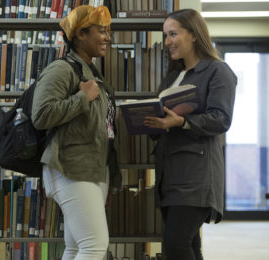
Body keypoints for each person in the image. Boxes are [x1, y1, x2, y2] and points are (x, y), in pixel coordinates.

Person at [143, 9, 237, 260]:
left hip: (196, 175)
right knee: (189, 246)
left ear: (194, 34)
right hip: (169, 174)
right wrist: (152, 124)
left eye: (173, 34)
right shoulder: (172, 77)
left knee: (176, 246)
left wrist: (182, 122)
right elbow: (166, 123)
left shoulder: (218, 71)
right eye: (166, 35)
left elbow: (221, 119)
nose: (168, 42)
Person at [31, 5, 120, 259]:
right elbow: (41, 114)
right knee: (94, 246)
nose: (108, 37)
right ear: (80, 34)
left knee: (77, 247)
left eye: (108, 31)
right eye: (101, 31)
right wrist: (82, 98)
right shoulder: (62, 69)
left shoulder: (90, 71)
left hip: (92, 170)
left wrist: (109, 177)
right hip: (70, 169)